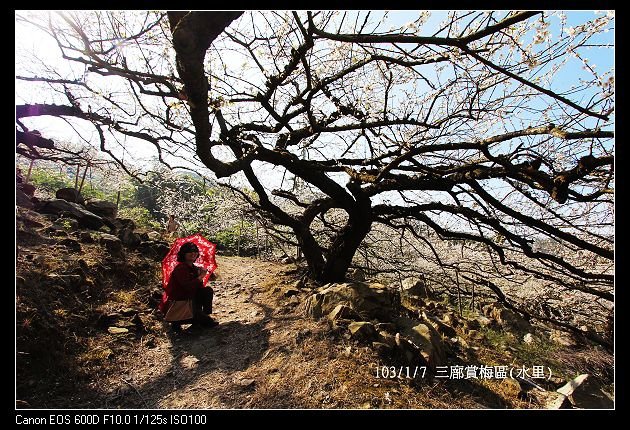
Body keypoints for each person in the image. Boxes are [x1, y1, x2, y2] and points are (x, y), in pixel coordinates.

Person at [165, 241, 217, 331]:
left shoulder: (193, 267)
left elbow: (199, 288)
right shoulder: (181, 268)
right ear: (183, 254)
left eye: (195, 251)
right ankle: (177, 321)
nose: (193, 253)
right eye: (189, 251)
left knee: (207, 290)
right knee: (209, 323)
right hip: (181, 303)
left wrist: (203, 274)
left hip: (190, 300)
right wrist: (200, 277)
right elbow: (187, 287)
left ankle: (203, 315)